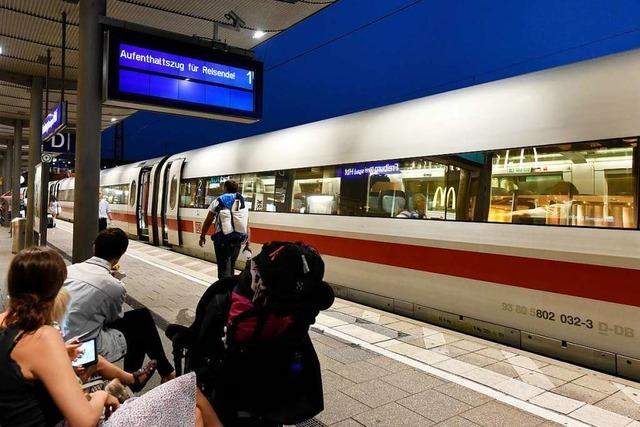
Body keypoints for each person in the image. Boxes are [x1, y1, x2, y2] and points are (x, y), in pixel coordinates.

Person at [0, 246, 222, 427]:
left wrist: (62, 355)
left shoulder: (8, 324)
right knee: (190, 393)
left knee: (193, 409)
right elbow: (84, 420)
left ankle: (132, 378)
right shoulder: (43, 336)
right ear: (53, 291)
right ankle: (136, 379)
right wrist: (102, 397)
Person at [167, 241, 334, 426]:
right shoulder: (297, 311)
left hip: (224, 398)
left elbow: (200, 344)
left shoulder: (224, 294)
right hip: (269, 403)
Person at [64, 228, 176, 384]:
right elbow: (114, 317)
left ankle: (161, 373)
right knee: (141, 326)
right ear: (119, 257)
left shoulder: (69, 270)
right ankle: (135, 379)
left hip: (62, 341)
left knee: (141, 317)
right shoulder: (115, 286)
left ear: (94, 247)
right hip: (83, 349)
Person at [53, 287, 157, 393]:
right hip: (62, 383)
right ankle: (134, 381)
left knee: (96, 359)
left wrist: (65, 351)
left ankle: (133, 379)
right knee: (96, 361)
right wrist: (102, 398)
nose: (60, 331)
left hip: (59, 367)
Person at [198, 179, 250, 279]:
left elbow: (208, 221)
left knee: (223, 269)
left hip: (222, 239)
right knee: (231, 267)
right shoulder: (242, 202)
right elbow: (247, 224)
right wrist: (248, 243)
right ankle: (230, 290)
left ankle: (224, 291)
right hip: (237, 239)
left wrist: (202, 236)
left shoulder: (218, 201)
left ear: (225, 188)